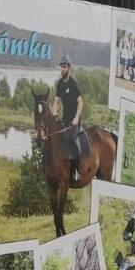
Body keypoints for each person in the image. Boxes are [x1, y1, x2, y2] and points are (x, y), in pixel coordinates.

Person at [53, 54, 85, 183]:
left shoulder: (73, 83)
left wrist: (77, 118)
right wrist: (55, 111)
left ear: (69, 68)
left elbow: (80, 102)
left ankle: (77, 170)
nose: (62, 69)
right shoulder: (60, 83)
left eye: (64, 67)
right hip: (64, 120)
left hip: (73, 121)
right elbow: (56, 101)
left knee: (72, 140)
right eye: (61, 67)